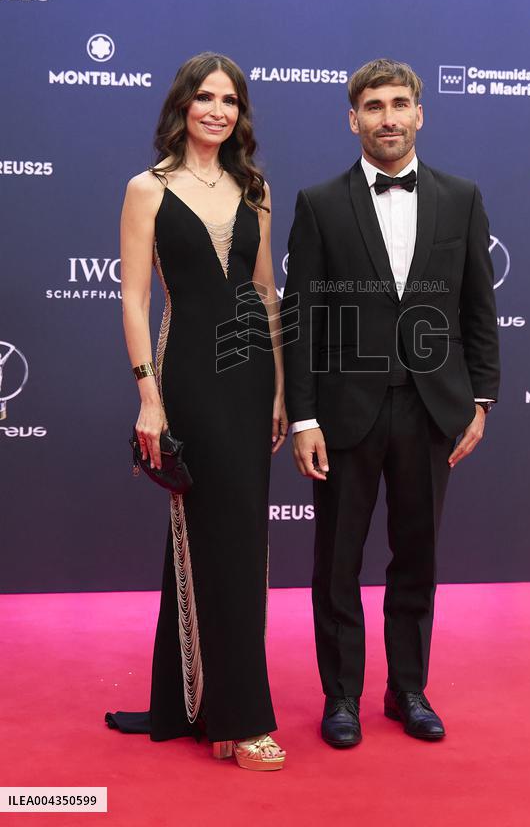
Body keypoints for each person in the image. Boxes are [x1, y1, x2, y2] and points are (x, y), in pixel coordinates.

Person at [283, 59, 500, 748]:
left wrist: (481, 400)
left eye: (399, 103)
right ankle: (340, 696)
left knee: (419, 556)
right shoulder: (319, 202)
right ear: (354, 119)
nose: (387, 117)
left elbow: (478, 309)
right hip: (346, 412)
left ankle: (408, 689)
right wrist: (306, 415)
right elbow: (302, 316)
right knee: (337, 561)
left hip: (433, 409)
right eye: (373, 106)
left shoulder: (461, 197)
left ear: (420, 113)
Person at [106, 52, 287, 771]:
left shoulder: (255, 188)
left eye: (231, 100)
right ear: (182, 105)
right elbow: (134, 298)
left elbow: (268, 294)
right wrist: (149, 396)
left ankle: (193, 697)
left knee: (239, 543)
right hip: (187, 380)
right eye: (205, 97)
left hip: (249, 382)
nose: (218, 109)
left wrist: (279, 390)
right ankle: (242, 719)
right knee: (214, 539)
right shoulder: (146, 190)